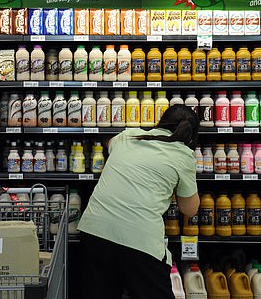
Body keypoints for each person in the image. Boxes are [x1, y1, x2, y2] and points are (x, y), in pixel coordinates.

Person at [78, 104, 201, 299]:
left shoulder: (129, 135)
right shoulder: (184, 155)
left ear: (160, 121)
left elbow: (111, 146)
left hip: (94, 231)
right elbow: (190, 209)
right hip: (139, 241)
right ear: (192, 135)